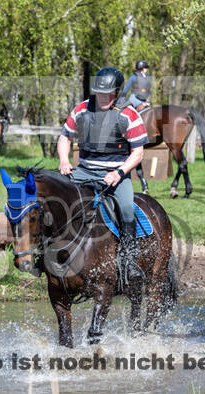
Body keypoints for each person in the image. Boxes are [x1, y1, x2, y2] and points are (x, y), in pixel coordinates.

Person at [57, 66, 148, 285]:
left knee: (126, 209)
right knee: (54, 197)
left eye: (108, 93)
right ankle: (46, 253)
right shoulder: (81, 110)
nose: (104, 97)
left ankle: (130, 261)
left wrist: (119, 173)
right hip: (84, 171)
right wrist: (64, 160)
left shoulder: (128, 114)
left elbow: (138, 152)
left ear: (117, 92)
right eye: (100, 92)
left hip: (116, 174)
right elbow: (64, 138)